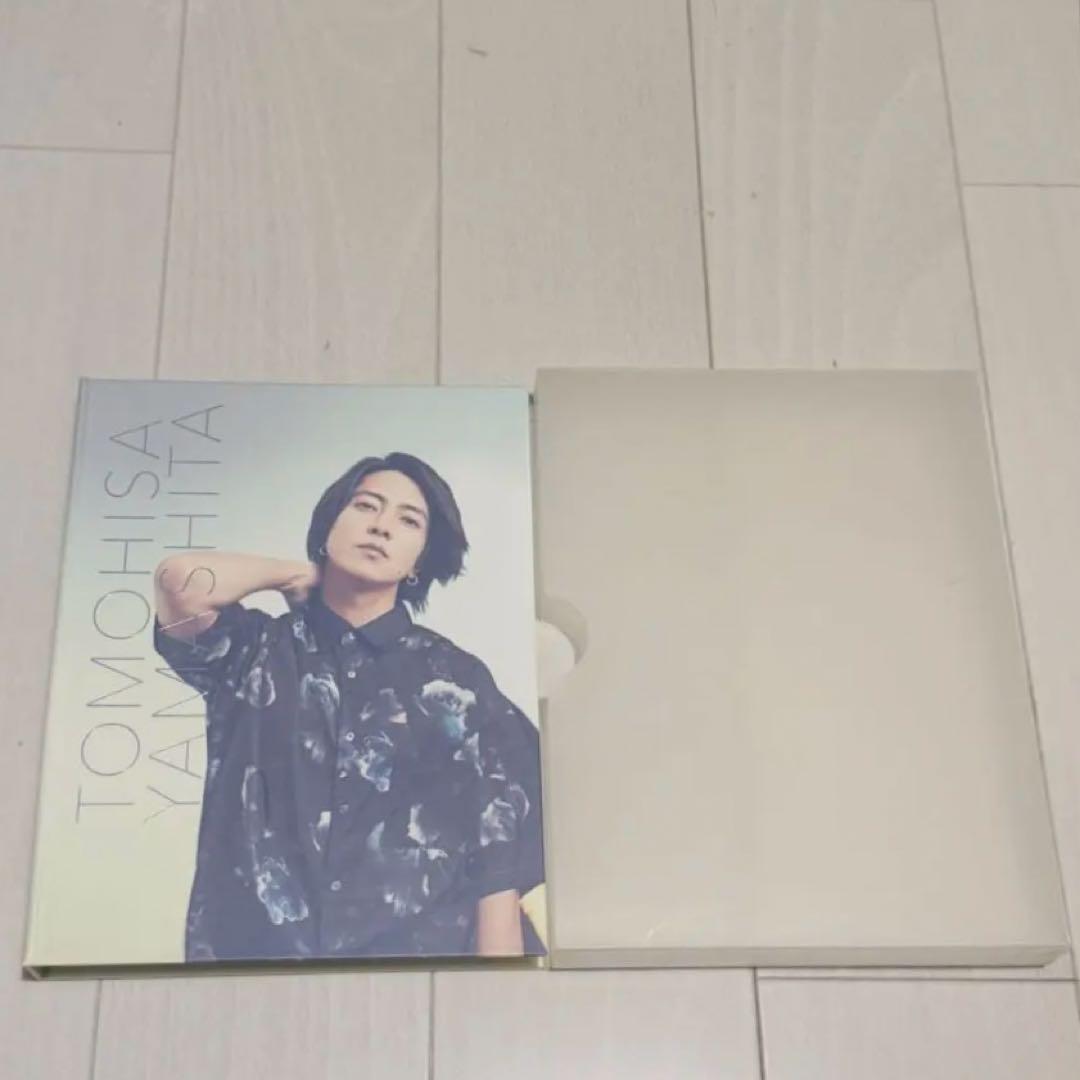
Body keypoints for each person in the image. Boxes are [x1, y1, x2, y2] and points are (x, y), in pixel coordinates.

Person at [152, 451, 545, 962]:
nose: (381, 526)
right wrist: (293, 574)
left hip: (412, 971)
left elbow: (498, 861)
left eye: (408, 520)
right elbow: (179, 581)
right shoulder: (256, 651)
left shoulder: (457, 681)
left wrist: (500, 987)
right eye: (365, 506)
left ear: (420, 559)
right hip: (253, 966)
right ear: (330, 525)